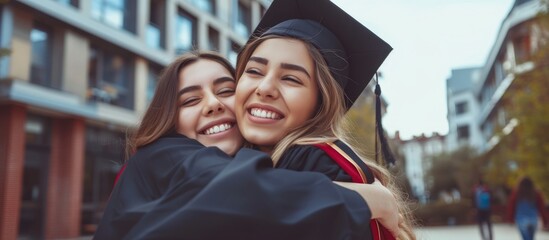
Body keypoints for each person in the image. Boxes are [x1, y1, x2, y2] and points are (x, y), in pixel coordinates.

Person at [94, 51, 399, 240]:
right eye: (190, 100)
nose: (213, 104)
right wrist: (367, 199)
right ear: (170, 121)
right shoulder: (161, 155)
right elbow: (236, 189)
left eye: (225, 90)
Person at [233, 0, 415, 239]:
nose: (265, 88)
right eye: (254, 71)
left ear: (321, 102)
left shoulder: (315, 162)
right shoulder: (236, 155)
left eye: (291, 79)